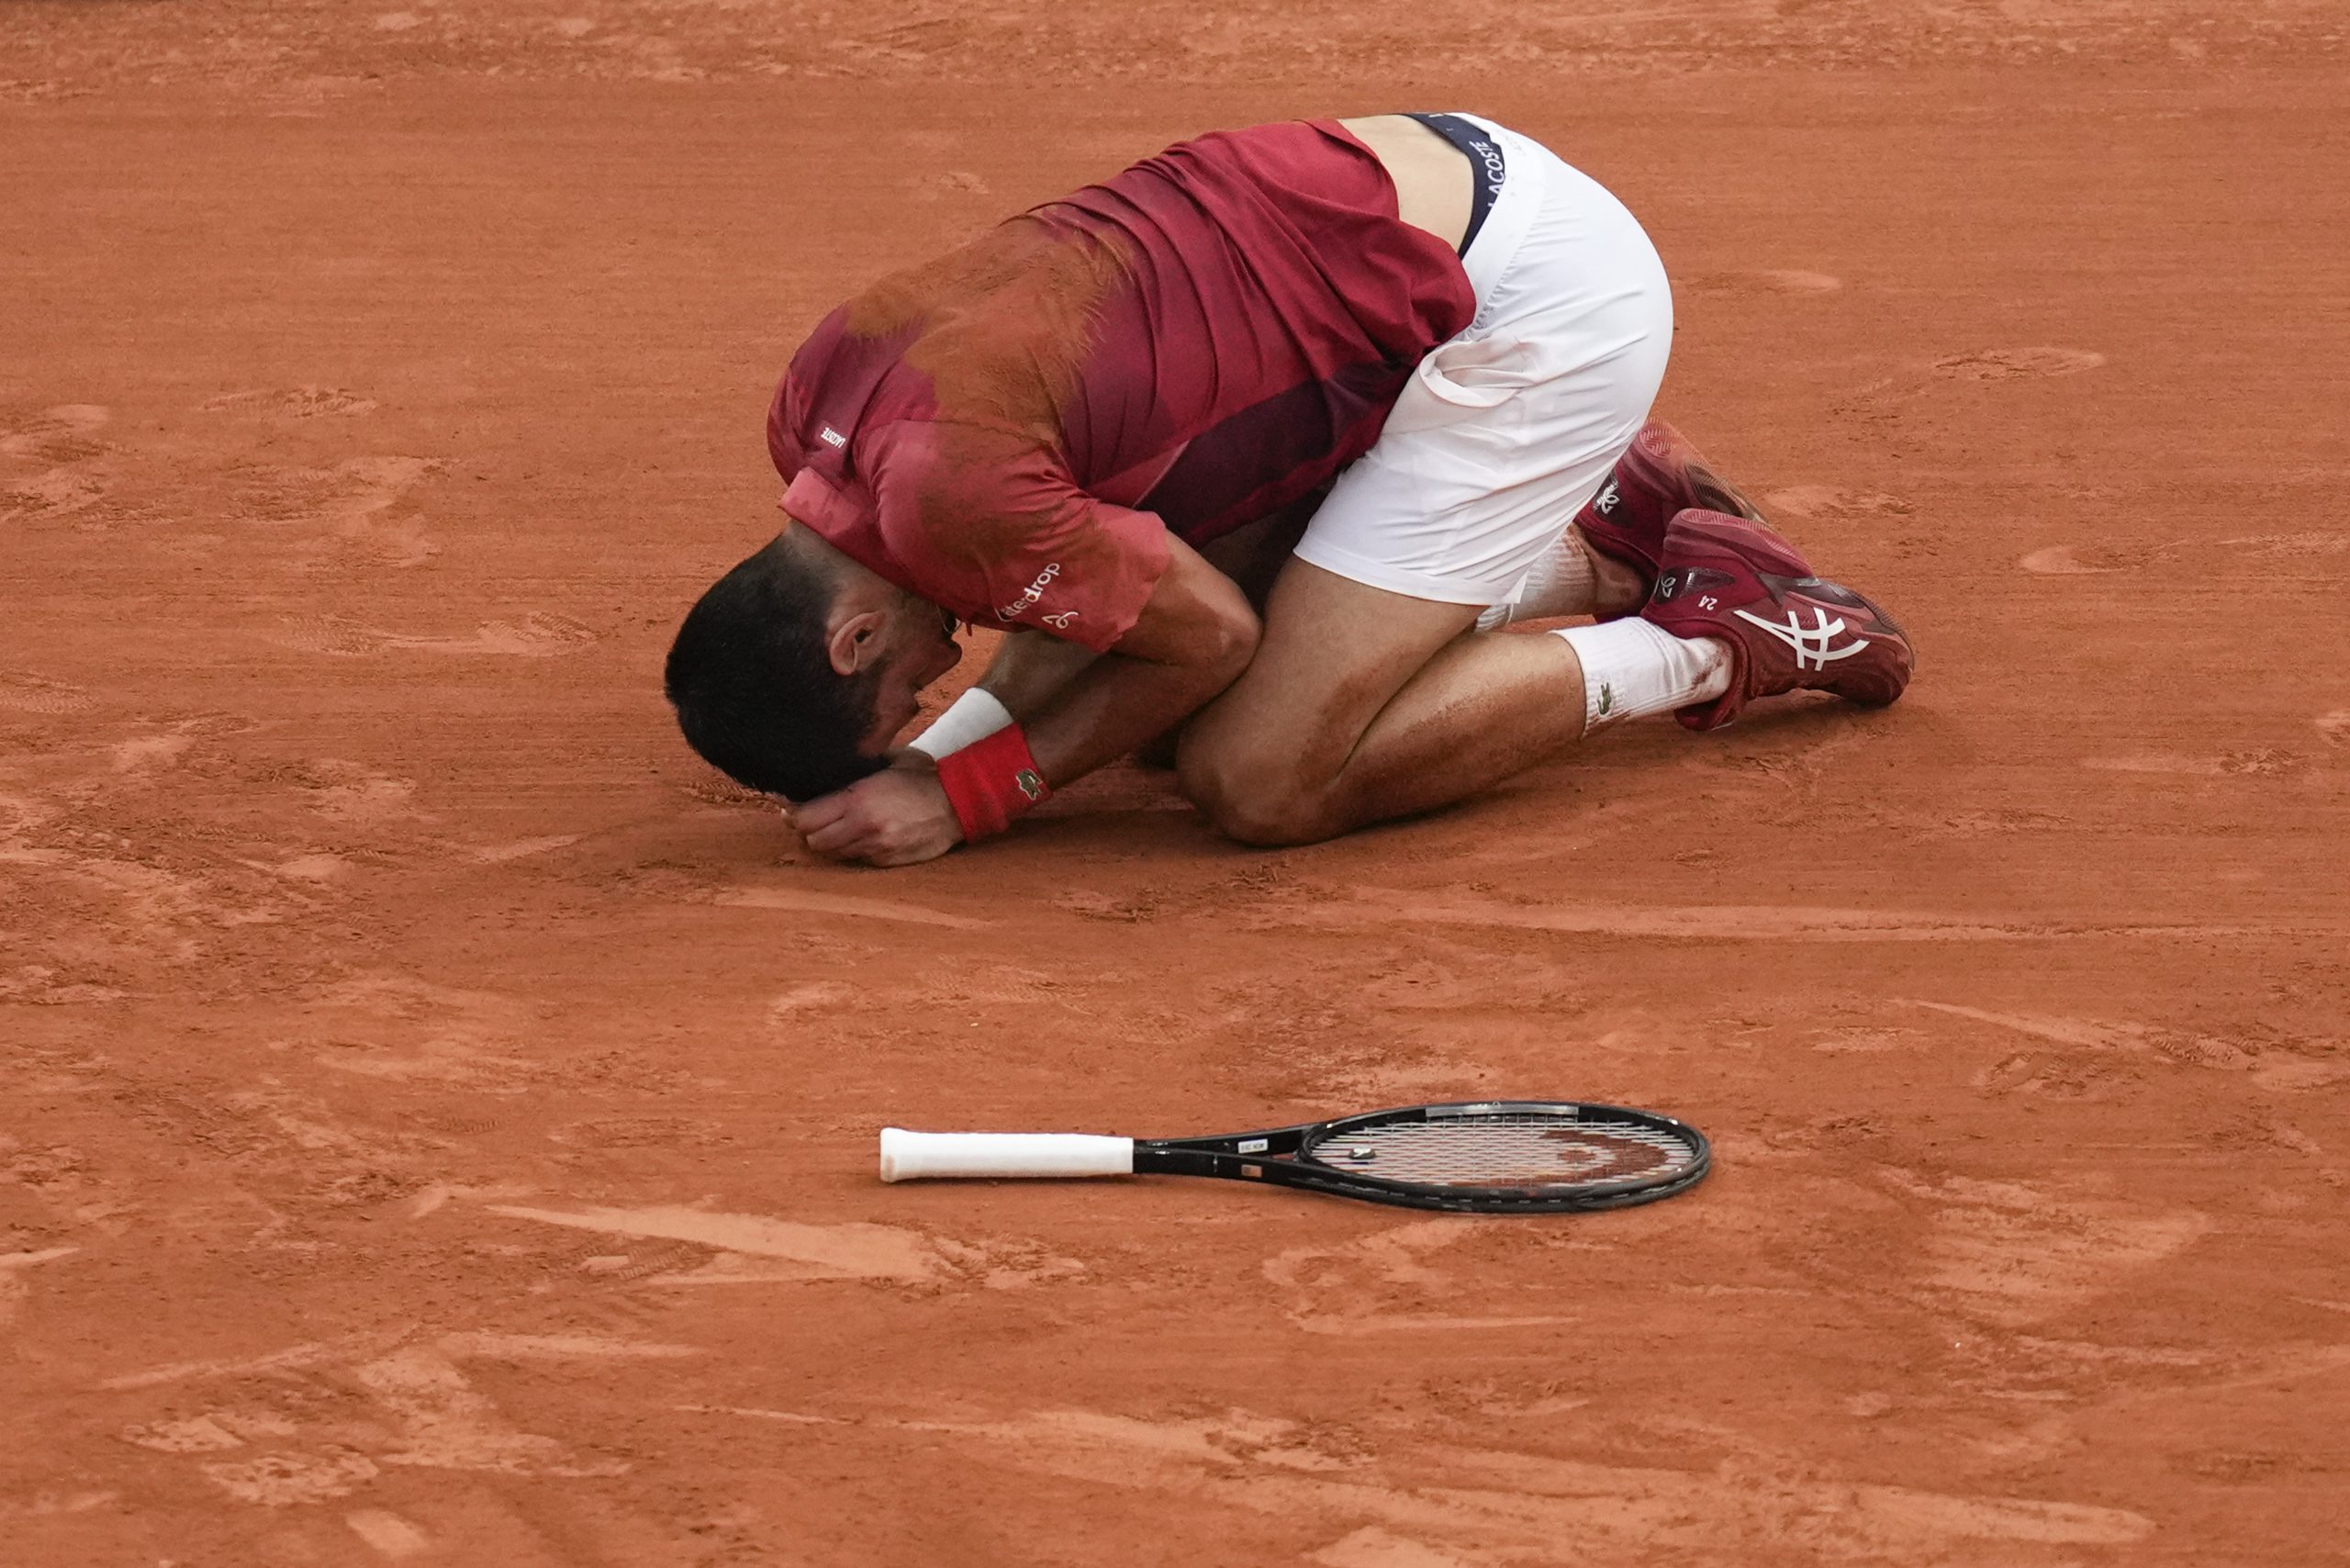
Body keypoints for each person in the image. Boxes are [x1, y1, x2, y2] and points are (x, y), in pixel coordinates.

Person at [665, 113, 1913, 865]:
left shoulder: (952, 499)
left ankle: (1721, 631)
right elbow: (1072, 615)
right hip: (1409, 171)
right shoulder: (815, 414)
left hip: (1534, 312)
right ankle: (1602, 532)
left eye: (904, 690)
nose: (943, 664)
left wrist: (968, 794)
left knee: (1259, 774)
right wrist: (920, 772)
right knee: (1120, 680)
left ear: (853, 635)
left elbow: (1206, 639)